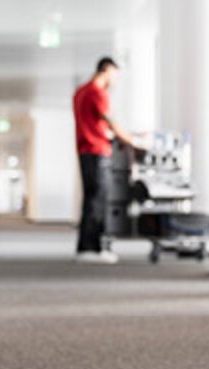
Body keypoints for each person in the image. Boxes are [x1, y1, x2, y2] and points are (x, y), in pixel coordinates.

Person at [72, 57, 136, 264]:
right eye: (115, 75)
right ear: (106, 69)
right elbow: (109, 120)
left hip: (85, 150)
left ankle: (86, 246)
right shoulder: (97, 92)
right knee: (98, 199)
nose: (116, 80)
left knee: (91, 198)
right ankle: (92, 247)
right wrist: (131, 139)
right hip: (97, 150)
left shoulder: (80, 92)